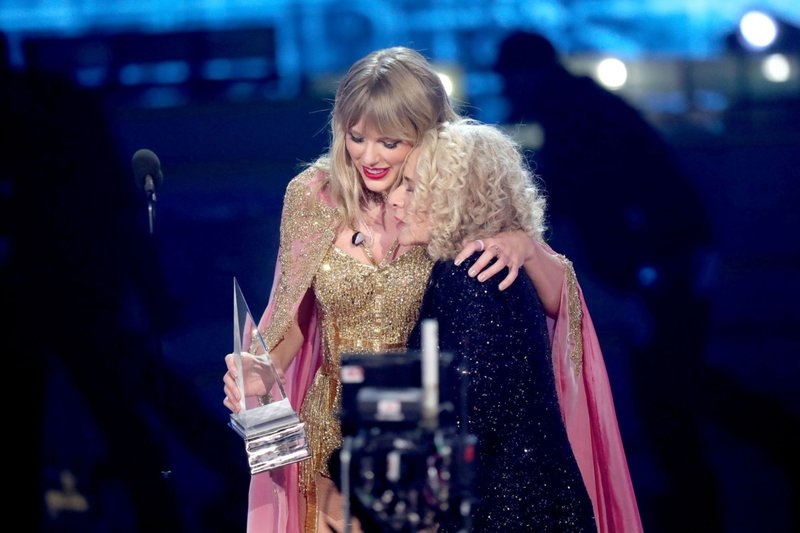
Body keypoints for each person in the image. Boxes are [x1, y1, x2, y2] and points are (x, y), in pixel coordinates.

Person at [221, 47, 542, 533]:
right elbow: (291, 320)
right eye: (356, 137)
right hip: (326, 447)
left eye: (390, 143)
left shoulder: (454, 199)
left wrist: (526, 245)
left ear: (428, 134)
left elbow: (547, 311)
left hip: (422, 453)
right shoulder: (312, 194)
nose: (369, 157)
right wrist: (264, 373)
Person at [493, 31, 718, 532]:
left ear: (528, 74)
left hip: (661, 268)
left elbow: (590, 207)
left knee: (671, 388)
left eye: (510, 77)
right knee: (672, 387)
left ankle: (713, 490)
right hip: (668, 262)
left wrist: (633, 287)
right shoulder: (582, 107)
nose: (508, 89)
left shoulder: (575, 118)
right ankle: (701, 495)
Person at [389, 119, 643, 532]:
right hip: (527, 502)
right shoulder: (485, 266)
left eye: (413, 187)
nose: (395, 200)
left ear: (455, 199)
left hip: (508, 510)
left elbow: (474, 412)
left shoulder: (468, 275)